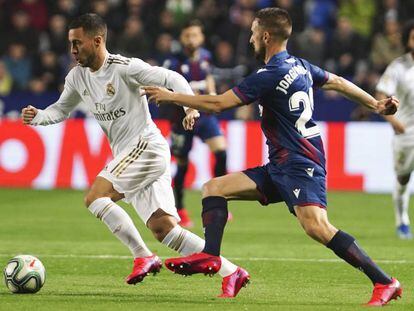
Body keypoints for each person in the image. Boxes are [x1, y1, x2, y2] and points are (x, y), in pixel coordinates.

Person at [143, 8, 402, 307]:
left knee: (317, 227)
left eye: (253, 33)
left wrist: (172, 96)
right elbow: (338, 82)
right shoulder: (300, 65)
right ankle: (211, 256)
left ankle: (384, 281)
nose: (251, 39)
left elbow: (217, 104)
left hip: (300, 162)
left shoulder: (268, 75)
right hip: (281, 164)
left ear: (265, 36)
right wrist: (375, 104)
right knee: (214, 188)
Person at [21, 13, 248, 298]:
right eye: (70, 44)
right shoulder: (77, 77)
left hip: (145, 146)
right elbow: (61, 109)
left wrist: (190, 108)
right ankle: (232, 271)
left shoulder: (125, 68)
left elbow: (173, 77)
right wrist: (39, 116)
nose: (72, 50)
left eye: (77, 43)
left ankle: (143, 255)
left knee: (95, 197)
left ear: (97, 40)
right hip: (133, 154)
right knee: (164, 229)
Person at [162, 19, 229, 228]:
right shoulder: (172, 62)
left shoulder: (206, 56)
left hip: (205, 117)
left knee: (221, 151)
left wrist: (211, 93)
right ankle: (180, 208)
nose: (191, 39)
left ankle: (218, 200)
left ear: (201, 37)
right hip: (182, 120)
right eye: (187, 35)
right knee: (181, 165)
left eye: (195, 35)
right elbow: (168, 90)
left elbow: (208, 78)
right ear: (182, 38)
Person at [376, 20, 414, 240]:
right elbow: (382, 94)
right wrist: (393, 121)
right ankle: (402, 221)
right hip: (406, 133)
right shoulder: (399, 67)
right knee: (403, 178)